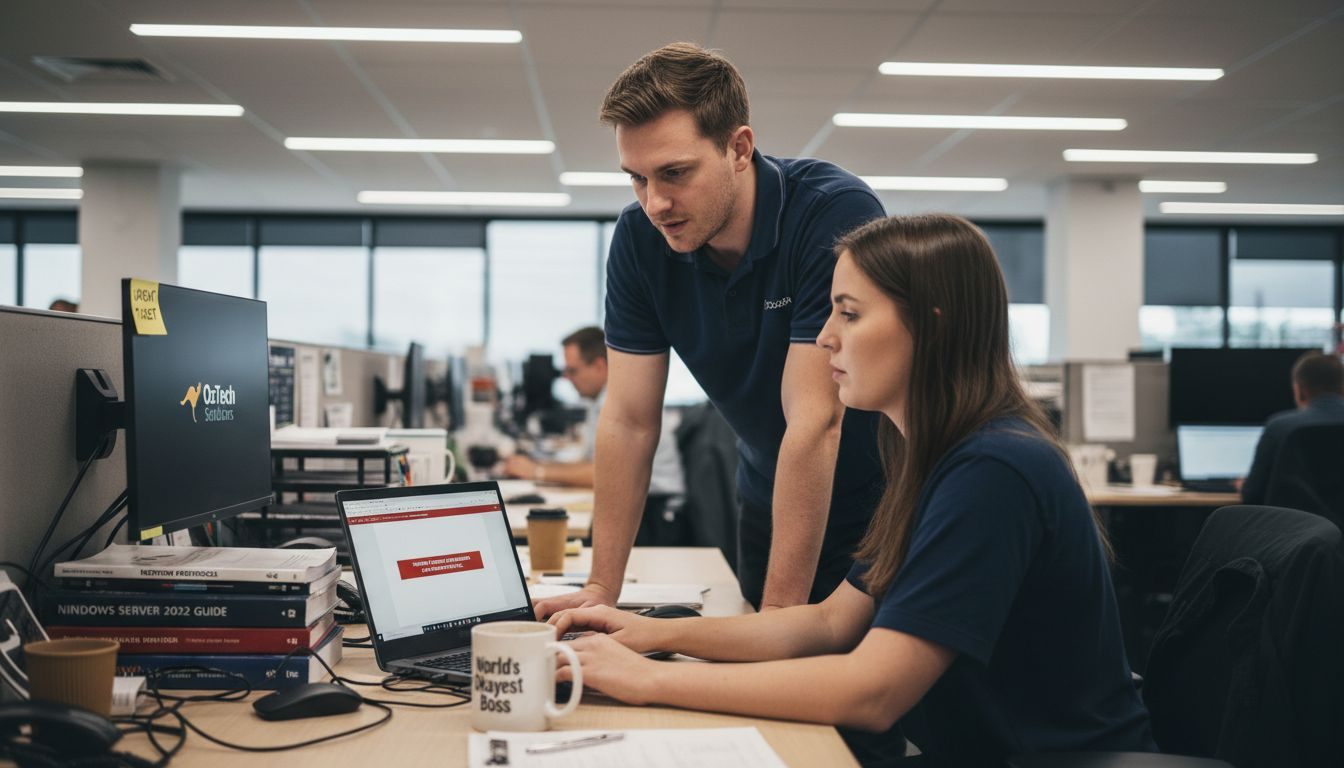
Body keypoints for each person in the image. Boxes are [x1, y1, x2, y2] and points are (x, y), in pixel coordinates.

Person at [549, 215, 1157, 766]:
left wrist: (649, 681)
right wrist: (649, 632)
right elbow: (827, 624)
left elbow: (872, 691)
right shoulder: (932, 457)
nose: (824, 338)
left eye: (850, 313)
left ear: (931, 325)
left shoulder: (994, 468)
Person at [535, 42, 886, 615]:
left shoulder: (832, 213)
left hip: (878, 501)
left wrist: (778, 624)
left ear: (739, 148)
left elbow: (816, 422)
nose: (655, 202)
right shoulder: (639, 241)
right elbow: (627, 420)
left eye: (674, 173)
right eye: (637, 179)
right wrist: (601, 590)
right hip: (768, 493)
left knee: (843, 684)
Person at [502, 327, 687, 544]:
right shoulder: (600, 401)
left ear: (599, 366)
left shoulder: (622, 401)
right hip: (639, 505)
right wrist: (538, 467)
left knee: (545, 537)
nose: (567, 379)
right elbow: (594, 463)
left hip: (655, 516)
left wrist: (537, 471)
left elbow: (604, 474)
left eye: (573, 371)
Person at [1240, 351, 1344, 504]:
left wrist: (1242, 486)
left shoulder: (1280, 427)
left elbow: (1252, 494)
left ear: (1298, 390)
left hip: (1298, 526)